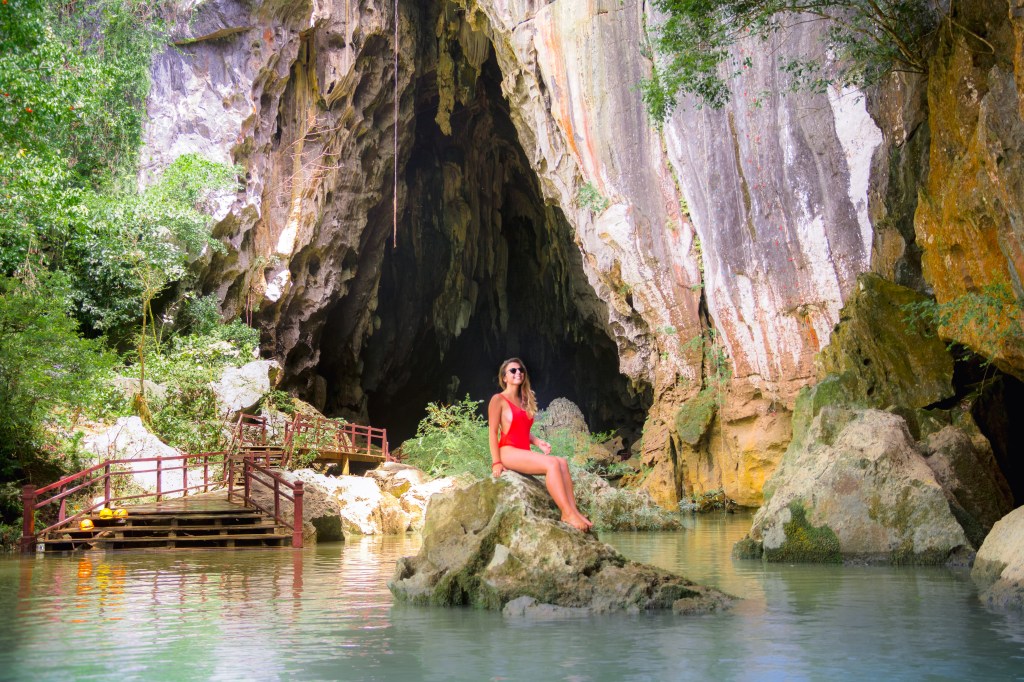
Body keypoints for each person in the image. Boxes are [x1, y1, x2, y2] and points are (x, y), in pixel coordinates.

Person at [487, 358, 593, 532]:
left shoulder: (524, 400)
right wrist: (496, 463)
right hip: (507, 451)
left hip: (522, 451)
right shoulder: (498, 400)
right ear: (504, 377)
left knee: (562, 462)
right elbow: (492, 432)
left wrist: (537, 441)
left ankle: (575, 512)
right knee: (551, 464)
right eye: (512, 371)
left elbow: (520, 429)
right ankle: (566, 514)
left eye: (521, 370)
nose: (518, 373)